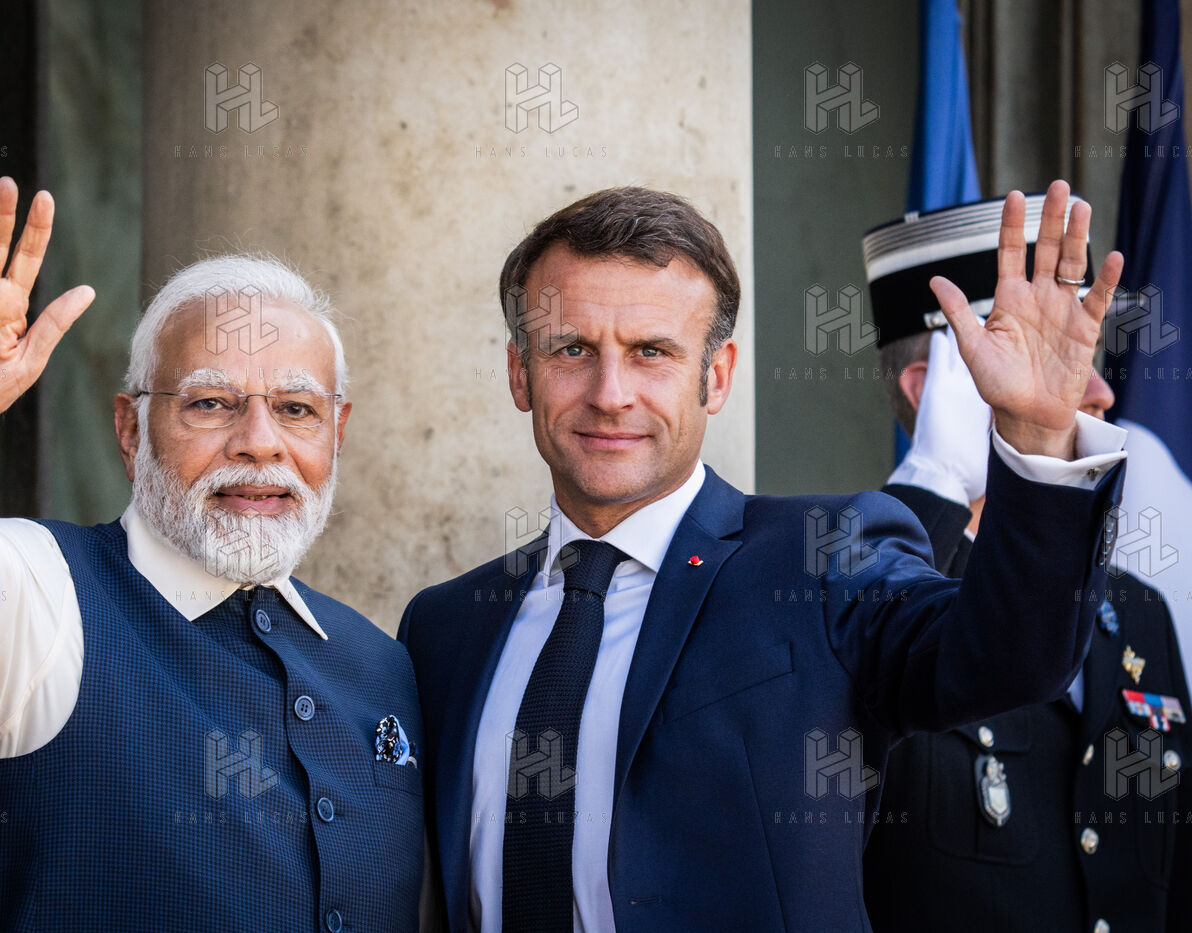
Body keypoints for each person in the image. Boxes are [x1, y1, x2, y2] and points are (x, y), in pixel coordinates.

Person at [400, 181, 1130, 931]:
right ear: (520, 372)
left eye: (652, 352)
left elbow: (1008, 658)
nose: (610, 393)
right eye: (572, 349)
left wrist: (1036, 440)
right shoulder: (443, 629)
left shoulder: (822, 559)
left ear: (715, 376)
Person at [0, 178, 424, 932]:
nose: (260, 442)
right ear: (130, 431)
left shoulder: (381, 663)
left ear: (336, 433)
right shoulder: (43, 599)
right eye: (210, 403)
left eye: (295, 409)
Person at [859, 196, 1191, 933]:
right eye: (1050, 355)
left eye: (1087, 357)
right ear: (935, 391)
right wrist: (934, 479)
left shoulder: (1137, 612)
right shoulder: (859, 598)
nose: (1100, 392)